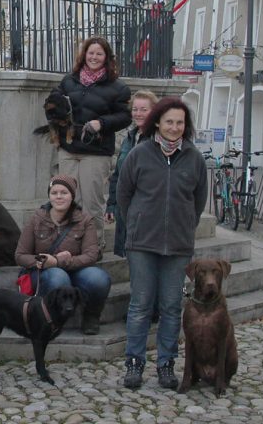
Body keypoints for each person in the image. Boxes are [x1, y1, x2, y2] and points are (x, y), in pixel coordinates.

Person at [117, 97, 208, 390]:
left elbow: (198, 201)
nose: (174, 127)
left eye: (180, 122)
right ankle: (134, 363)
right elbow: (124, 195)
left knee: (171, 307)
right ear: (158, 122)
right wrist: (137, 222)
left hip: (178, 246)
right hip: (142, 242)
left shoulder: (194, 158)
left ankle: (166, 364)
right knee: (141, 304)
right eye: (169, 121)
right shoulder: (140, 154)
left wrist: (182, 228)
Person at [58, 36, 131, 250]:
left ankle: (94, 244)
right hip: (69, 148)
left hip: (96, 151)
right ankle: (70, 243)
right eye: (91, 53)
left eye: (99, 54)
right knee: (68, 200)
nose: (94, 57)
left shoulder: (118, 87)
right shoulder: (69, 80)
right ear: (84, 54)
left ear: (106, 57)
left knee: (91, 202)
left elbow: (125, 116)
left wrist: (102, 122)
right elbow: (55, 103)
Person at [15, 174, 111, 335]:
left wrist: (60, 261)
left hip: (77, 269)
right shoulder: (36, 218)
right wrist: (41, 261)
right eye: (54, 192)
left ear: (72, 196)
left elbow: (91, 255)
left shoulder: (85, 220)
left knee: (99, 279)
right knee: (58, 277)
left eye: (64, 192)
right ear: (49, 195)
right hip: (45, 272)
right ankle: (49, 318)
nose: (59, 196)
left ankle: (91, 316)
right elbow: (20, 255)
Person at [105, 90, 159, 258]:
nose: (138, 113)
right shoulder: (130, 137)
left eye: (144, 109)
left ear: (154, 111)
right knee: (131, 256)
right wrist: (111, 204)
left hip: (146, 209)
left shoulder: (157, 139)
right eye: (135, 109)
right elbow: (118, 174)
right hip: (125, 206)